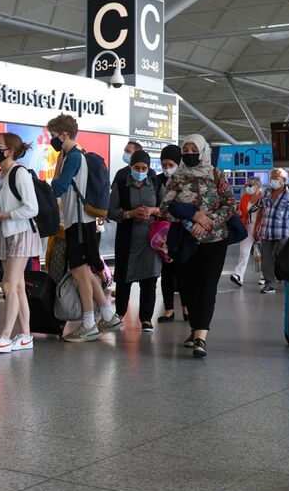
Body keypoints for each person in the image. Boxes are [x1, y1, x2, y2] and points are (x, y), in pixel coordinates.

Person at [160, 134, 235, 359]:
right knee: (189, 287)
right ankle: (195, 328)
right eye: (187, 149)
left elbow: (229, 206)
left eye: (194, 149)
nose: (190, 153)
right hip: (186, 240)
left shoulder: (216, 174)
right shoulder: (177, 178)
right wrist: (192, 218)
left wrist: (208, 222)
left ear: (203, 151)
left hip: (214, 240)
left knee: (207, 287)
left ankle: (201, 337)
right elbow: (165, 207)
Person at [47, 113, 120, 342]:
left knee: (79, 272)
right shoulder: (77, 155)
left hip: (77, 222)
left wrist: (57, 168)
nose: (52, 140)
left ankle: (88, 323)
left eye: (53, 135)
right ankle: (107, 315)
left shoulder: (73, 158)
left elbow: (58, 187)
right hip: (81, 222)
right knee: (85, 271)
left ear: (64, 134)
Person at [0, 133, 40, 353]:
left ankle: (5, 337)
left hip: (21, 232)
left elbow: (32, 208)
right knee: (18, 286)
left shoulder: (19, 173)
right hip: (6, 234)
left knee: (8, 285)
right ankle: (25, 336)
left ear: (11, 151)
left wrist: (3, 216)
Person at [108, 149, 163, 331]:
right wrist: (129, 213)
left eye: (144, 167)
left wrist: (153, 211)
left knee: (150, 278)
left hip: (150, 240)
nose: (140, 171)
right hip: (128, 239)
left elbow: (166, 208)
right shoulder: (121, 184)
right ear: (130, 167)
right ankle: (120, 313)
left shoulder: (154, 183)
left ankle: (146, 318)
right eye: (137, 167)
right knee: (124, 278)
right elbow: (110, 211)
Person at [256, 166, 289, 295]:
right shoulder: (266, 193)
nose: (273, 180)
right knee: (266, 259)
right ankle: (270, 284)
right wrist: (257, 226)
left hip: (283, 232)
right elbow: (261, 209)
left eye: (276, 178)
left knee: (285, 258)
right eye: (271, 178)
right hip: (266, 231)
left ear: (283, 180)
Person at [156, 144, 187, 323]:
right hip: (162, 233)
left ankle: (186, 307)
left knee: (183, 271)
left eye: (170, 164)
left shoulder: (186, 181)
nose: (167, 169)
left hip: (181, 231)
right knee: (166, 272)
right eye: (164, 165)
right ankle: (169, 309)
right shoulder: (157, 180)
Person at [229, 177, 263, 287]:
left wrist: (259, 228)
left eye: (250, 185)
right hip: (246, 226)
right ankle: (239, 275)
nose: (247, 187)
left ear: (257, 186)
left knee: (263, 254)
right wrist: (239, 212)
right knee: (244, 252)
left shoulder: (264, 197)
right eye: (246, 185)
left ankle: (264, 276)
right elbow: (241, 210)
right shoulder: (244, 197)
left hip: (261, 227)